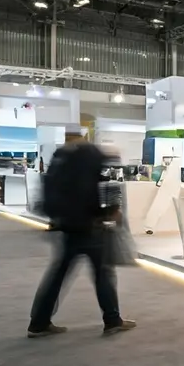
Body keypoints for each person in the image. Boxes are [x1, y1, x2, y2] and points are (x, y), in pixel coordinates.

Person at [28, 128, 135, 338]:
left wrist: (55, 217)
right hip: (90, 224)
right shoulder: (92, 154)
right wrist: (111, 211)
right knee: (103, 273)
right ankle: (112, 320)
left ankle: (38, 322)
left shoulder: (60, 156)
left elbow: (47, 189)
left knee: (58, 275)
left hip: (66, 224)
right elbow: (106, 184)